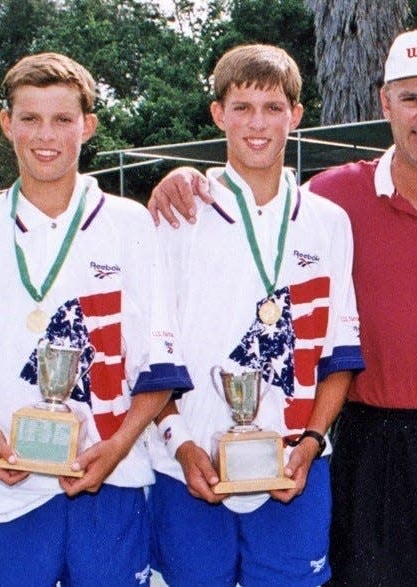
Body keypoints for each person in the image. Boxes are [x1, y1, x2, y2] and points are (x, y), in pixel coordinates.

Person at [148, 26, 417, 586]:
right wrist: (179, 178)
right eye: (411, 97)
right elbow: (257, 194)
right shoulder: (334, 197)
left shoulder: (329, 214)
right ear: (386, 103)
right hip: (367, 441)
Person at [0, 52, 192, 586]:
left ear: (88, 125)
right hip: (3, 489)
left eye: (62, 119)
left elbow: (158, 367)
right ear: (7, 124)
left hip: (109, 481)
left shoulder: (131, 224)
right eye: (29, 118)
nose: (44, 135)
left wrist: (117, 448)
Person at [147, 43, 364, 587]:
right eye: (242, 108)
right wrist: (181, 442)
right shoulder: (180, 212)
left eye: (272, 108)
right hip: (189, 464)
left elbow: (339, 356)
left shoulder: (329, 220)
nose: (257, 124)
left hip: (294, 466)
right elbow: (147, 353)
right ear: (219, 114)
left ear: (295, 114)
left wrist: (311, 444)